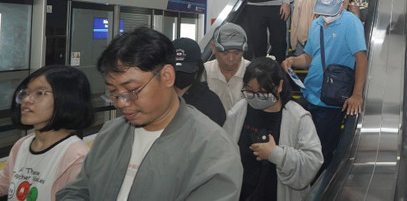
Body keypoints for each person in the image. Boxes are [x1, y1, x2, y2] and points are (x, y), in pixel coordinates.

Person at [58, 27, 243, 200]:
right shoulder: (110, 134)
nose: (122, 103)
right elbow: (78, 190)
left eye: (132, 90)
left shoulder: (213, 149)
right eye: (113, 93)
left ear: (167, 76)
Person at [281, 0, 368, 168]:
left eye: (329, 11)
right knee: (304, 147)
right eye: (322, 11)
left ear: (342, 5)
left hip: (332, 99)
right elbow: (309, 57)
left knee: (323, 152)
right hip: (310, 94)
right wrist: (292, 61)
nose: (326, 16)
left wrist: (357, 95)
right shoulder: (316, 24)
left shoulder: (351, 23)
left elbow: (361, 58)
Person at [224, 57, 323, 201]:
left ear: (279, 86)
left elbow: (312, 162)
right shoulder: (239, 111)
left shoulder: (298, 118)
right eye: (250, 91)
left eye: (263, 93)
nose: (255, 98)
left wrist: (275, 154)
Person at [0, 65, 92, 201]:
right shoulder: (23, 145)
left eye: (40, 93)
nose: (26, 100)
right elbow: (5, 183)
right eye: (25, 93)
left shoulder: (76, 157)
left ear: (67, 99)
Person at [172, 38, 226, 126]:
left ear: (198, 67)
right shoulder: (158, 99)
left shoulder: (210, 102)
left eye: (186, 70)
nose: (180, 74)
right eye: (176, 70)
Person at [204, 22, 251, 113]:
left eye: (237, 53)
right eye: (225, 53)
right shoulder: (204, 72)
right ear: (213, 47)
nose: (231, 59)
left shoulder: (253, 73)